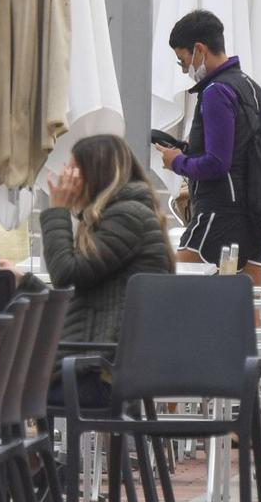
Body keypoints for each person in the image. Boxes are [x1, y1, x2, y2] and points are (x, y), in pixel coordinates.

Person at [41, 135, 176, 405]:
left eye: (74, 167)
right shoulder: (124, 214)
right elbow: (86, 283)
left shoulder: (127, 217)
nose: (66, 174)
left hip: (101, 372)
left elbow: (65, 275)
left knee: (3, 391)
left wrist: (56, 211)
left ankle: (27, 446)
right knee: (8, 386)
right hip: (102, 364)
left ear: (96, 172)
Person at [158, 9, 261, 267]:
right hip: (256, 213)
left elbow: (217, 163)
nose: (184, 70)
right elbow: (242, 149)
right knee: (247, 303)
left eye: (182, 60)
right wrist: (188, 150)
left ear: (199, 49)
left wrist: (177, 162)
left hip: (220, 214)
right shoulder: (251, 87)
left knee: (171, 285)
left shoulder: (215, 92)